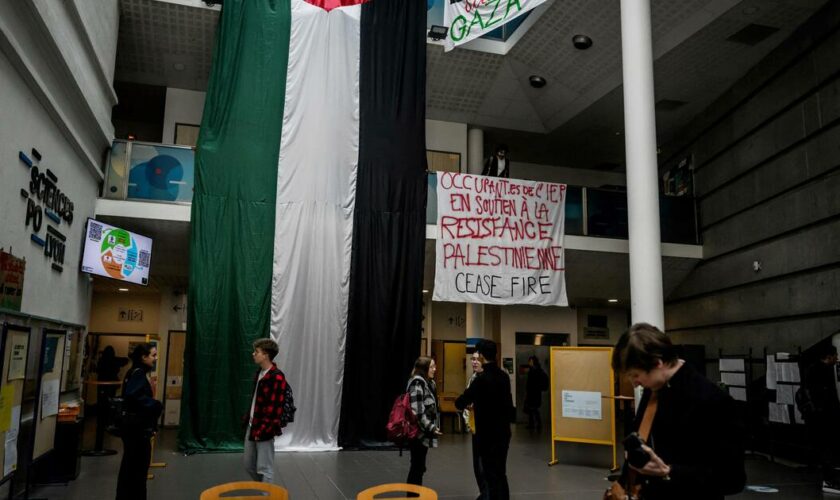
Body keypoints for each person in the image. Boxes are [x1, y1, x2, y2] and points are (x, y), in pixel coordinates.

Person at [611, 323, 745, 500]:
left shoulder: (712, 400)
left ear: (658, 363)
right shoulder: (654, 390)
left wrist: (668, 472)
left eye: (636, 375)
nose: (634, 383)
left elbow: (732, 479)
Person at [456, 340, 515, 500]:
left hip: (487, 435)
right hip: (503, 433)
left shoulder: (481, 379)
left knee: (489, 474)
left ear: (481, 356)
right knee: (501, 473)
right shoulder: (503, 376)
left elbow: (461, 401)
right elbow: (509, 406)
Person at [115, 343, 163, 500]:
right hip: (136, 429)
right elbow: (133, 395)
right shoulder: (138, 374)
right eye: (153, 355)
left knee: (129, 467)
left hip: (130, 428)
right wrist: (155, 405)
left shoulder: (132, 372)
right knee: (138, 469)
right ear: (143, 357)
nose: (155, 359)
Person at [243, 338, 288, 483]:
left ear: (266, 355)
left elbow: (275, 409)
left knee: (265, 468)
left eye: (257, 352)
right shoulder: (260, 373)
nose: (253, 354)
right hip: (252, 425)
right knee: (248, 465)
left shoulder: (277, 377)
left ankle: (267, 496)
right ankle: (262, 490)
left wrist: (262, 430)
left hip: (264, 429)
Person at [802, 343, 840, 494]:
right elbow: (828, 396)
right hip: (824, 414)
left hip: (817, 414)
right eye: (835, 356)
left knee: (821, 446)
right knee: (827, 446)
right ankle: (829, 478)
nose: (837, 359)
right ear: (828, 357)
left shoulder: (811, 370)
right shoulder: (823, 372)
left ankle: (826, 474)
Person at [405, 356, 442, 492]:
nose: (435, 369)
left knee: (419, 467)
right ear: (424, 369)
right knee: (416, 467)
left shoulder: (429, 383)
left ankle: (415, 494)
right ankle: (412, 496)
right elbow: (418, 411)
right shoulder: (417, 383)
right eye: (432, 367)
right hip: (417, 434)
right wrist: (432, 428)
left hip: (423, 434)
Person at [463, 351, 487, 499]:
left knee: (484, 464)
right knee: (476, 464)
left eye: (478, 359)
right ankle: (482, 491)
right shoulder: (473, 378)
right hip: (475, 427)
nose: (474, 362)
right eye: (473, 359)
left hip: (487, 428)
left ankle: (486, 493)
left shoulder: (488, 379)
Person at [524, 356, 547, 430]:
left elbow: (534, 383)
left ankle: (538, 424)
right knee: (531, 409)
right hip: (531, 393)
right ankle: (532, 424)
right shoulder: (532, 370)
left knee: (534, 409)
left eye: (530, 361)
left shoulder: (536, 370)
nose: (529, 362)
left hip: (535, 394)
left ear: (534, 362)